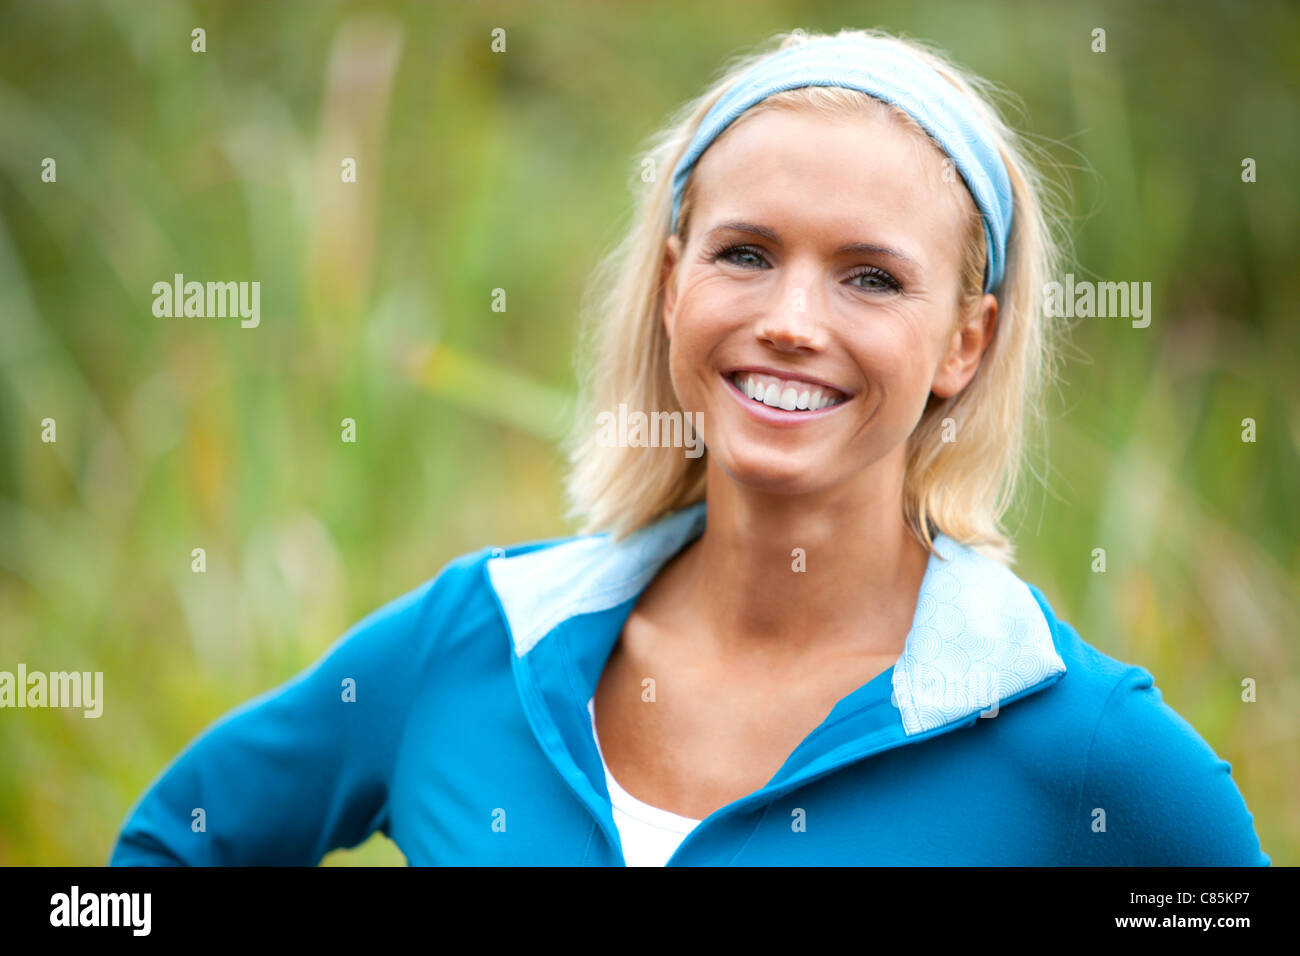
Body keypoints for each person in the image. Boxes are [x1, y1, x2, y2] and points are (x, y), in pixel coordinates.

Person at [109, 28, 1269, 866]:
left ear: (964, 342)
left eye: (869, 276)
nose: (791, 320)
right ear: (671, 286)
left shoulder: (1081, 747)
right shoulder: (475, 640)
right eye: (745, 252)